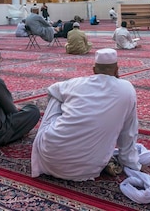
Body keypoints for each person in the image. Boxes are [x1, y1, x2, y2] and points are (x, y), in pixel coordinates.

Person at [31, 48, 142, 181]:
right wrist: (132, 165)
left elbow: (51, 90)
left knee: (57, 98)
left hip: (49, 158)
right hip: (88, 169)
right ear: (117, 69)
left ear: (94, 70)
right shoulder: (127, 89)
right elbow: (128, 133)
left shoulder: (75, 83)